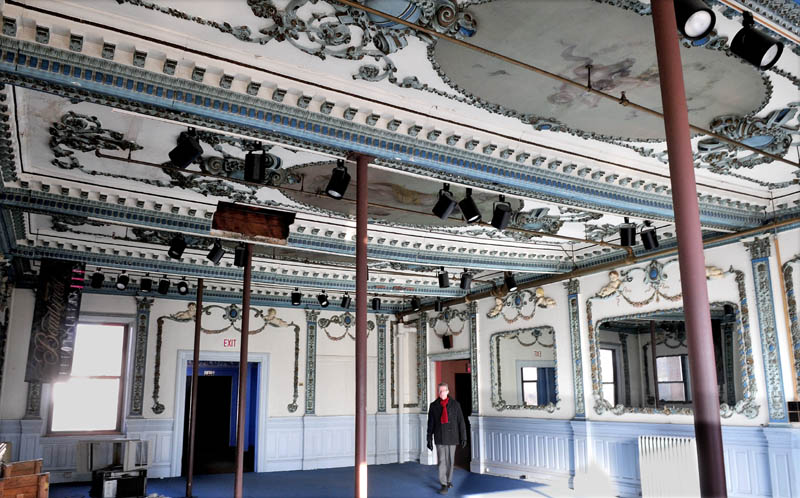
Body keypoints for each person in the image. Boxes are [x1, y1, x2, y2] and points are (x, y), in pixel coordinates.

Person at [427, 382, 467, 494]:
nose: (441, 393)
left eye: (443, 390)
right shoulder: (433, 405)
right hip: (439, 437)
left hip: (453, 437)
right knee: (442, 461)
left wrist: (464, 437)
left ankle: (449, 480)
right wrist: (429, 438)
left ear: (448, 391)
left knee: (450, 460)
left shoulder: (455, 404)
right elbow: (430, 424)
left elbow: (461, 422)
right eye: (439, 391)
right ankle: (443, 484)